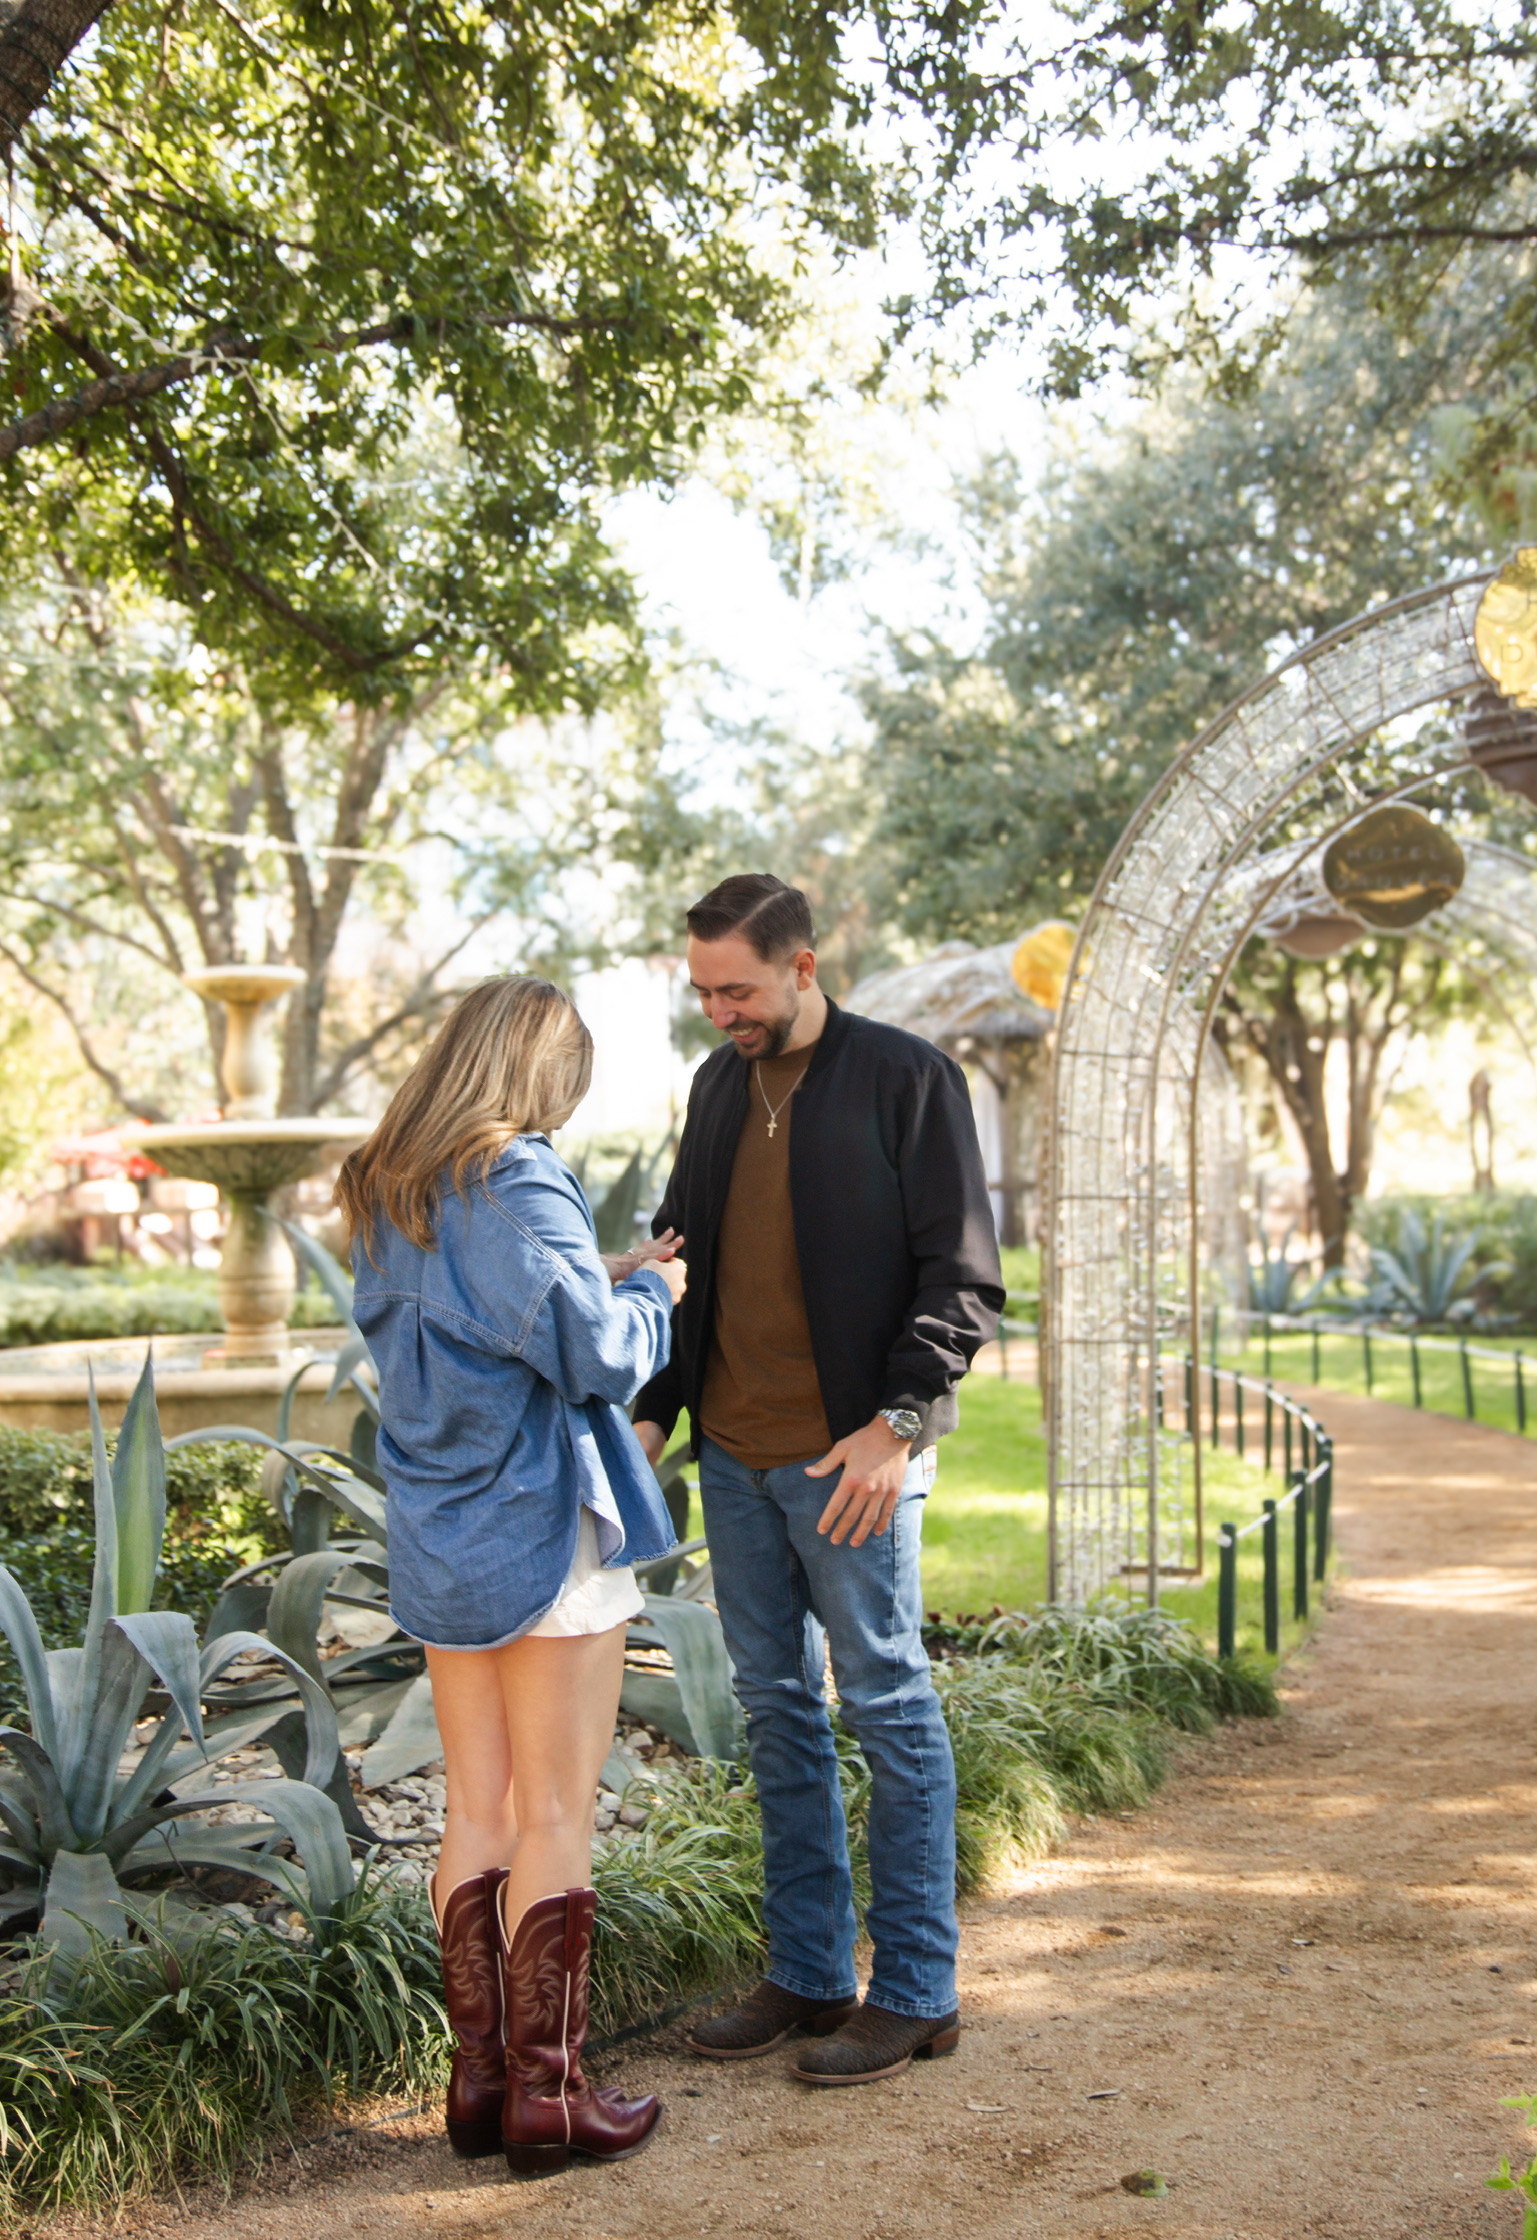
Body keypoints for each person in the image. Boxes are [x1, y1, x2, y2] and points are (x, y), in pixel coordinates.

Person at [633, 873, 1004, 2086]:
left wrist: (896, 1425)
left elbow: (961, 1279)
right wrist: (650, 1410)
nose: (716, 1010)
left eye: (734, 987)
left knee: (888, 1704)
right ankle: (805, 1970)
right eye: (701, 989)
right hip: (733, 1458)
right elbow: (684, 1250)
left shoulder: (908, 1077)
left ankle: (914, 1989)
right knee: (777, 1712)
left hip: (852, 1459)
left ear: (802, 965)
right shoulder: (714, 1085)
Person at [336, 974, 686, 2178]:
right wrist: (649, 1291)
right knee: (553, 1811)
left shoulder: (390, 1183)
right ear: (535, 1072)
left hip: (441, 1526)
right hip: (541, 1525)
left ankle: (482, 2083)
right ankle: (554, 2095)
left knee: (476, 1807)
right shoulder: (513, 1172)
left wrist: (595, 1265)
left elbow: (488, 1316)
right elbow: (590, 1352)